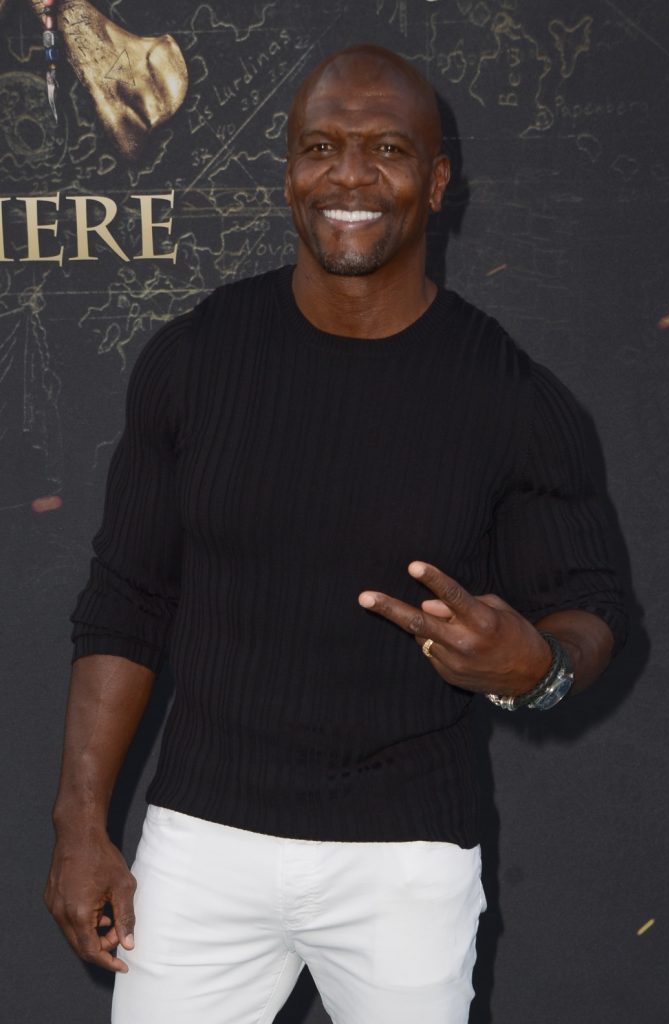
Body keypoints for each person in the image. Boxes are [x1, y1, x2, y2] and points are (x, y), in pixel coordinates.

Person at [44, 44, 625, 1024]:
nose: (348, 176)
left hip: (405, 858)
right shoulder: (195, 358)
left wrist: (536, 668)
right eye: (320, 147)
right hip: (201, 843)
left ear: (434, 182)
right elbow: (126, 601)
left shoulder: (510, 395)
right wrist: (79, 824)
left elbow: (593, 607)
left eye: (386, 149)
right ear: (288, 173)